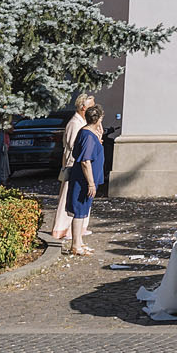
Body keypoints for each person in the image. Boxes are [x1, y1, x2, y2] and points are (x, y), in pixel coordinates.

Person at [62, 106, 106, 257]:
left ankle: (79, 242)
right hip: (84, 180)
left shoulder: (87, 132)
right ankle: (75, 245)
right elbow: (85, 161)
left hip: (84, 178)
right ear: (98, 118)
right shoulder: (87, 135)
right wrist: (91, 183)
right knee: (79, 212)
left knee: (83, 212)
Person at [49, 93, 92, 243]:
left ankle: (78, 228)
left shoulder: (81, 122)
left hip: (76, 164)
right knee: (68, 197)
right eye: (91, 106)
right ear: (83, 107)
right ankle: (63, 228)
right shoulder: (75, 123)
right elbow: (76, 145)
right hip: (73, 165)